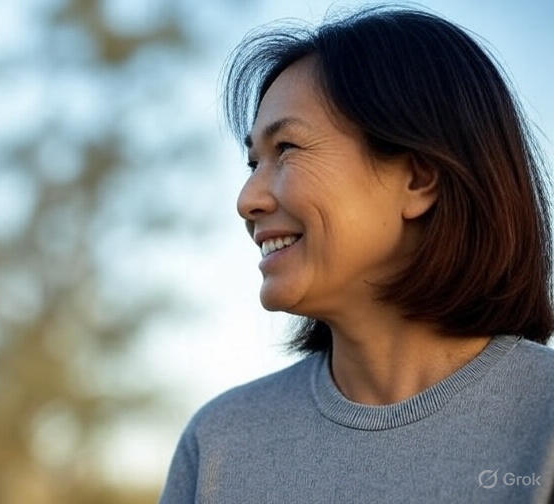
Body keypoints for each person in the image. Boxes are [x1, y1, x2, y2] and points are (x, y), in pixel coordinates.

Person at [161, 7, 554, 503]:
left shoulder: (544, 423)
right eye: (253, 162)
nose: (247, 200)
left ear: (419, 179)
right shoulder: (219, 443)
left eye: (287, 149)